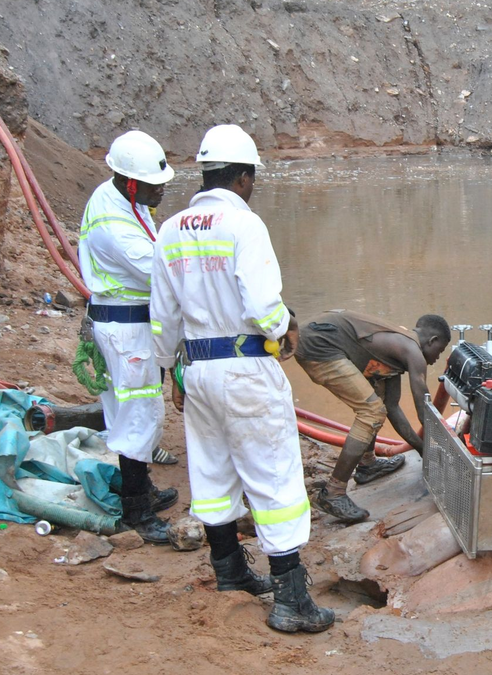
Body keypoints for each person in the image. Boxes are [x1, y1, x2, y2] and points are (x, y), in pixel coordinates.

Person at [151, 124, 333, 634]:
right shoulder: (243, 225)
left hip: (198, 369)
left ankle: (230, 572)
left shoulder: (170, 229)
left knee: (212, 472)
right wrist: (285, 327)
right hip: (245, 366)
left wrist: (173, 373)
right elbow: (262, 306)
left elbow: (162, 318)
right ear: (245, 177)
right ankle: (292, 600)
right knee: (274, 477)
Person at [78, 130, 178, 544]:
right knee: (139, 414)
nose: (162, 191)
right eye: (156, 186)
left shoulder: (121, 198)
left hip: (125, 323)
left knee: (129, 410)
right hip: (126, 327)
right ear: (132, 182)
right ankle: (137, 507)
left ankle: (141, 489)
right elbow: (163, 273)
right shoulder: (115, 226)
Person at [294, 310, 451, 523]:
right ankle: (333, 492)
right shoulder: (412, 351)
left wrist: (423, 450)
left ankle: (367, 466)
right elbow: (424, 411)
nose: (437, 358)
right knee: (370, 411)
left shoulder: (397, 350)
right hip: (318, 345)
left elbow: (392, 408)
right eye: (440, 351)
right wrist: (441, 452)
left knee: (378, 404)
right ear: (432, 340)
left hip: (318, 337)